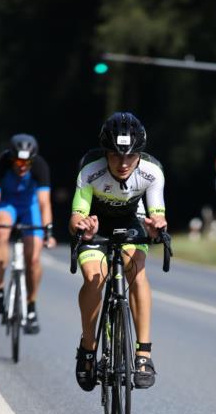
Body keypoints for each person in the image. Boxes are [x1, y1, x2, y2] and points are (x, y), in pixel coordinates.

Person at [68, 112, 167, 389]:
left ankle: (143, 354)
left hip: (131, 221)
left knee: (136, 272)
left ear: (139, 154)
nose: (123, 163)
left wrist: (157, 225)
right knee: (94, 276)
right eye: (115, 156)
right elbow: (75, 217)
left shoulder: (152, 172)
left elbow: (157, 213)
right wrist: (83, 228)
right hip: (95, 225)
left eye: (130, 157)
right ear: (105, 152)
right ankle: (88, 348)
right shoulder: (90, 171)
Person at [0, 133, 56, 333]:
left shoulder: (41, 166)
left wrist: (48, 230)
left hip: (30, 207)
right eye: (18, 161)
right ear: (10, 158)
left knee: (33, 259)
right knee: (0, 232)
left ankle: (31, 305)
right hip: (7, 205)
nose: (22, 166)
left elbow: (44, 202)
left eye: (27, 162)